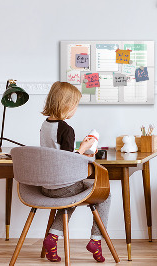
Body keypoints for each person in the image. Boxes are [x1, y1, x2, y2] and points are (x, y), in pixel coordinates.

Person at [40, 81, 110, 263]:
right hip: (63, 186)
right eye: (75, 105)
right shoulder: (66, 129)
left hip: (46, 186)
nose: (75, 109)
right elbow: (67, 161)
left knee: (70, 198)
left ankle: (52, 238)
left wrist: (79, 149)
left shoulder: (45, 125)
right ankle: (96, 240)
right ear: (66, 105)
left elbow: (57, 154)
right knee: (105, 194)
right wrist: (84, 149)